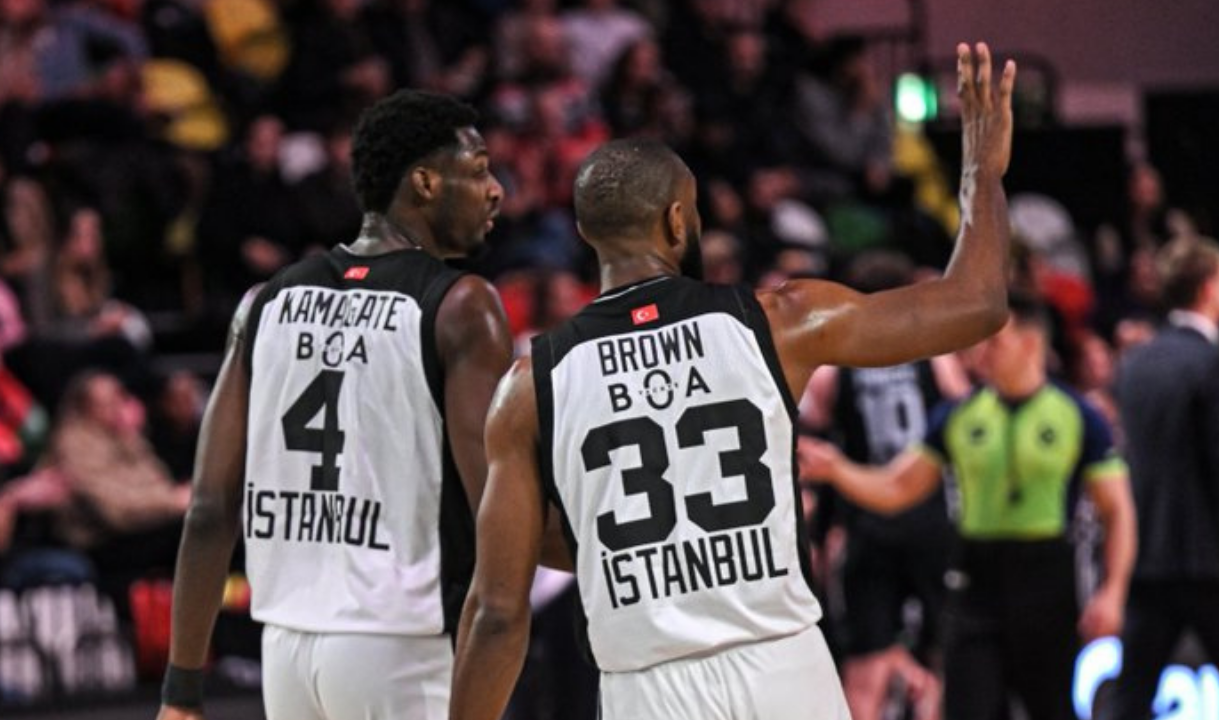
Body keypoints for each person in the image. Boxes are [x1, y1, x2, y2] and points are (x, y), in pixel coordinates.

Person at [450, 43, 1016, 720]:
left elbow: (497, 611)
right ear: (678, 220)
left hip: (647, 687)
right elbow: (978, 304)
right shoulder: (778, 322)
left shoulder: (531, 384)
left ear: (586, 232)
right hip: (784, 668)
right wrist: (982, 174)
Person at [156, 90, 512, 720]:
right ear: (425, 183)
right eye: (480, 170)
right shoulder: (462, 306)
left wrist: (182, 689)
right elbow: (496, 511)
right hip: (403, 645)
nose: (496, 191)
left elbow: (209, 508)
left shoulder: (265, 302)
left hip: (287, 650)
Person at [800, 293, 1138, 720]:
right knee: (968, 706)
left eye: (995, 342)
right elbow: (897, 488)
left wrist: (1113, 591)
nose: (980, 354)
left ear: (1031, 343)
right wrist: (837, 469)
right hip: (974, 577)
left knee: (1052, 709)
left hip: (1046, 576)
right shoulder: (958, 415)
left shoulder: (1078, 415)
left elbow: (1117, 511)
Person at [799, 252, 970, 720]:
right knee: (943, 660)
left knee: (865, 668)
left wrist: (821, 530)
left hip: (866, 522)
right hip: (931, 520)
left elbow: (811, 441)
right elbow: (966, 419)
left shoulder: (835, 367)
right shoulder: (935, 357)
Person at [1107, 237, 1219, 720]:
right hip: (1209, 559)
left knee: (1131, 696)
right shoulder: (1210, 363)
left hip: (1147, 554)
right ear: (1209, 287)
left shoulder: (1135, 363)